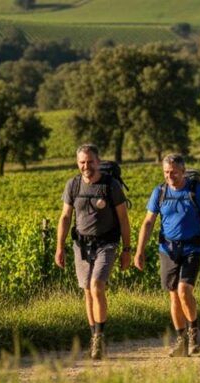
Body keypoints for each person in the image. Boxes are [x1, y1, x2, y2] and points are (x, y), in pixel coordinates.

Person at [134, 154, 200, 357]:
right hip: (168, 250)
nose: (169, 176)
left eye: (173, 172)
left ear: (182, 171)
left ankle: (193, 331)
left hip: (192, 249)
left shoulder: (195, 191)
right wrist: (139, 250)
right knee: (173, 294)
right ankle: (181, 339)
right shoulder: (160, 192)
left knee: (183, 291)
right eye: (166, 172)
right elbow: (148, 222)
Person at [55, 144, 131, 360]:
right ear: (77, 163)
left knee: (97, 285)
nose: (85, 166)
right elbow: (65, 217)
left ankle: (100, 336)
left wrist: (127, 249)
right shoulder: (73, 185)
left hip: (106, 243)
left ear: (97, 162)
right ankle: (94, 337)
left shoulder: (111, 185)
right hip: (81, 245)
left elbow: (124, 219)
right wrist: (59, 246)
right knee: (87, 290)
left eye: (89, 162)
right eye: (82, 162)